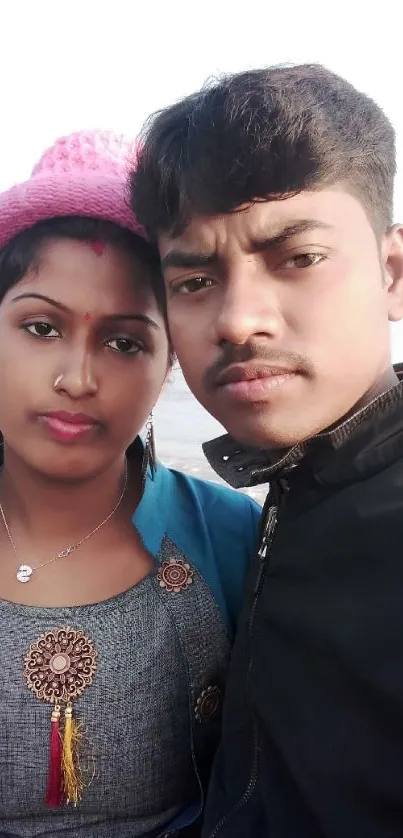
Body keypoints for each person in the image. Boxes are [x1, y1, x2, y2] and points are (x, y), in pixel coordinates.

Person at [131, 65, 403, 837]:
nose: (237, 319)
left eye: (298, 258)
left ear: (392, 271)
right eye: (193, 279)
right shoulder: (296, 493)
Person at [0, 129, 260, 838]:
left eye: (125, 342)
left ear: (167, 364)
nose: (77, 379)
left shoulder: (234, 541)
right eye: (41, 327)